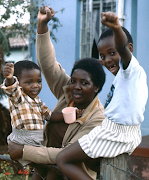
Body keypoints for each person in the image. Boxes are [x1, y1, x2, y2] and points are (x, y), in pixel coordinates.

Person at [7, 6, 106, 180]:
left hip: (68, 174)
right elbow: (47, 64)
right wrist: (42, 25)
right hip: (45, 167)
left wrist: (24, 151)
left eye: (84, 83)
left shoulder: (97, 119)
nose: (75, 86)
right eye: (74, 80)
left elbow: (67, 155)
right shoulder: (67, 90)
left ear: (96, 87)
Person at [56, 11, 148, 180]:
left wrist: (116, 27)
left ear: (129, 49)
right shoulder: (125, 77)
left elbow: (122, 47)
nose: (107, 60)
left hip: (116, 132)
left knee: (62, 159)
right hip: (121, 131)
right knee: (91, 163)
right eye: (103, 56)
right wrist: (99, 63)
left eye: (112, 53)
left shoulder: (132, 70)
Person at [1, 60, 52, 166]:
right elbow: (12, 89)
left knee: (42, 169)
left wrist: (68, 115)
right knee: (44, 163)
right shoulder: (18, 98)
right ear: (18, 83)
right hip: (24, 141)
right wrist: (9, 78)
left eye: (38, 81)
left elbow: (50, 115)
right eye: (29, 82)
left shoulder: (37, 100)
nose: (35, 86)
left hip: (37, 140)